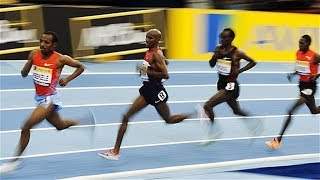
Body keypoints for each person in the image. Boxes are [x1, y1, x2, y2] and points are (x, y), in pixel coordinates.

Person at [99, 29, 191, 160]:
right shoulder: (152, 51)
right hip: (147, 90)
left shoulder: (156, 54)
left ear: (157, 40)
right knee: (126, 116)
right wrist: (150, 68)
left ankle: (194, 114)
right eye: (147, 37)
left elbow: (166, 75)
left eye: (151, 38)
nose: (147, 40)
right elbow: (164, 61)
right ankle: (115, 152)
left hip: (156, 91)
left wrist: (148, 71)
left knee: (169, 120)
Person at [0, 31, 85, 173]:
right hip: (40, 97)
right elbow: (23, 74)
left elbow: (81, 67)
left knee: (26, 127)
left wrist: (67, 79)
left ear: (54, 45)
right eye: (41, 41)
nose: (42, 45)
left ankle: (13, 162)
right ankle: (81, 121)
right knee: (60, 125)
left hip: (49, 99)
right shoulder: (34, 54)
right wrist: (29, 63)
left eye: (46, 42)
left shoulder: (61, 59)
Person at [196, 28, 258, 137]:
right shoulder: (218, 49)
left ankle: (215, 131)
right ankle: (256, 122)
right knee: (236, 111)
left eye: (224, 37)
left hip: (231, 85)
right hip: (221, 83)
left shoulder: (237, 53)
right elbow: (211, 64)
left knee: (208, 106)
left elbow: (253, 62)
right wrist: (214, 57)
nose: (221, 39)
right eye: (221, 37)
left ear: (231, 39)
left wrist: (239, 70)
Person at [265, 35, 320, 149]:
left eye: (302, 43)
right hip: (302, 85)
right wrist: (293, 73)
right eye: (299, 43)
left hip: (310, 87)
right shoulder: (298, 53)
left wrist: (317, 75)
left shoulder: (315, 56)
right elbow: (300, 68)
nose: (300, 45)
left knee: (290, 110)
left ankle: (277, 140)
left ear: (308, 44)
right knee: (314, 111)